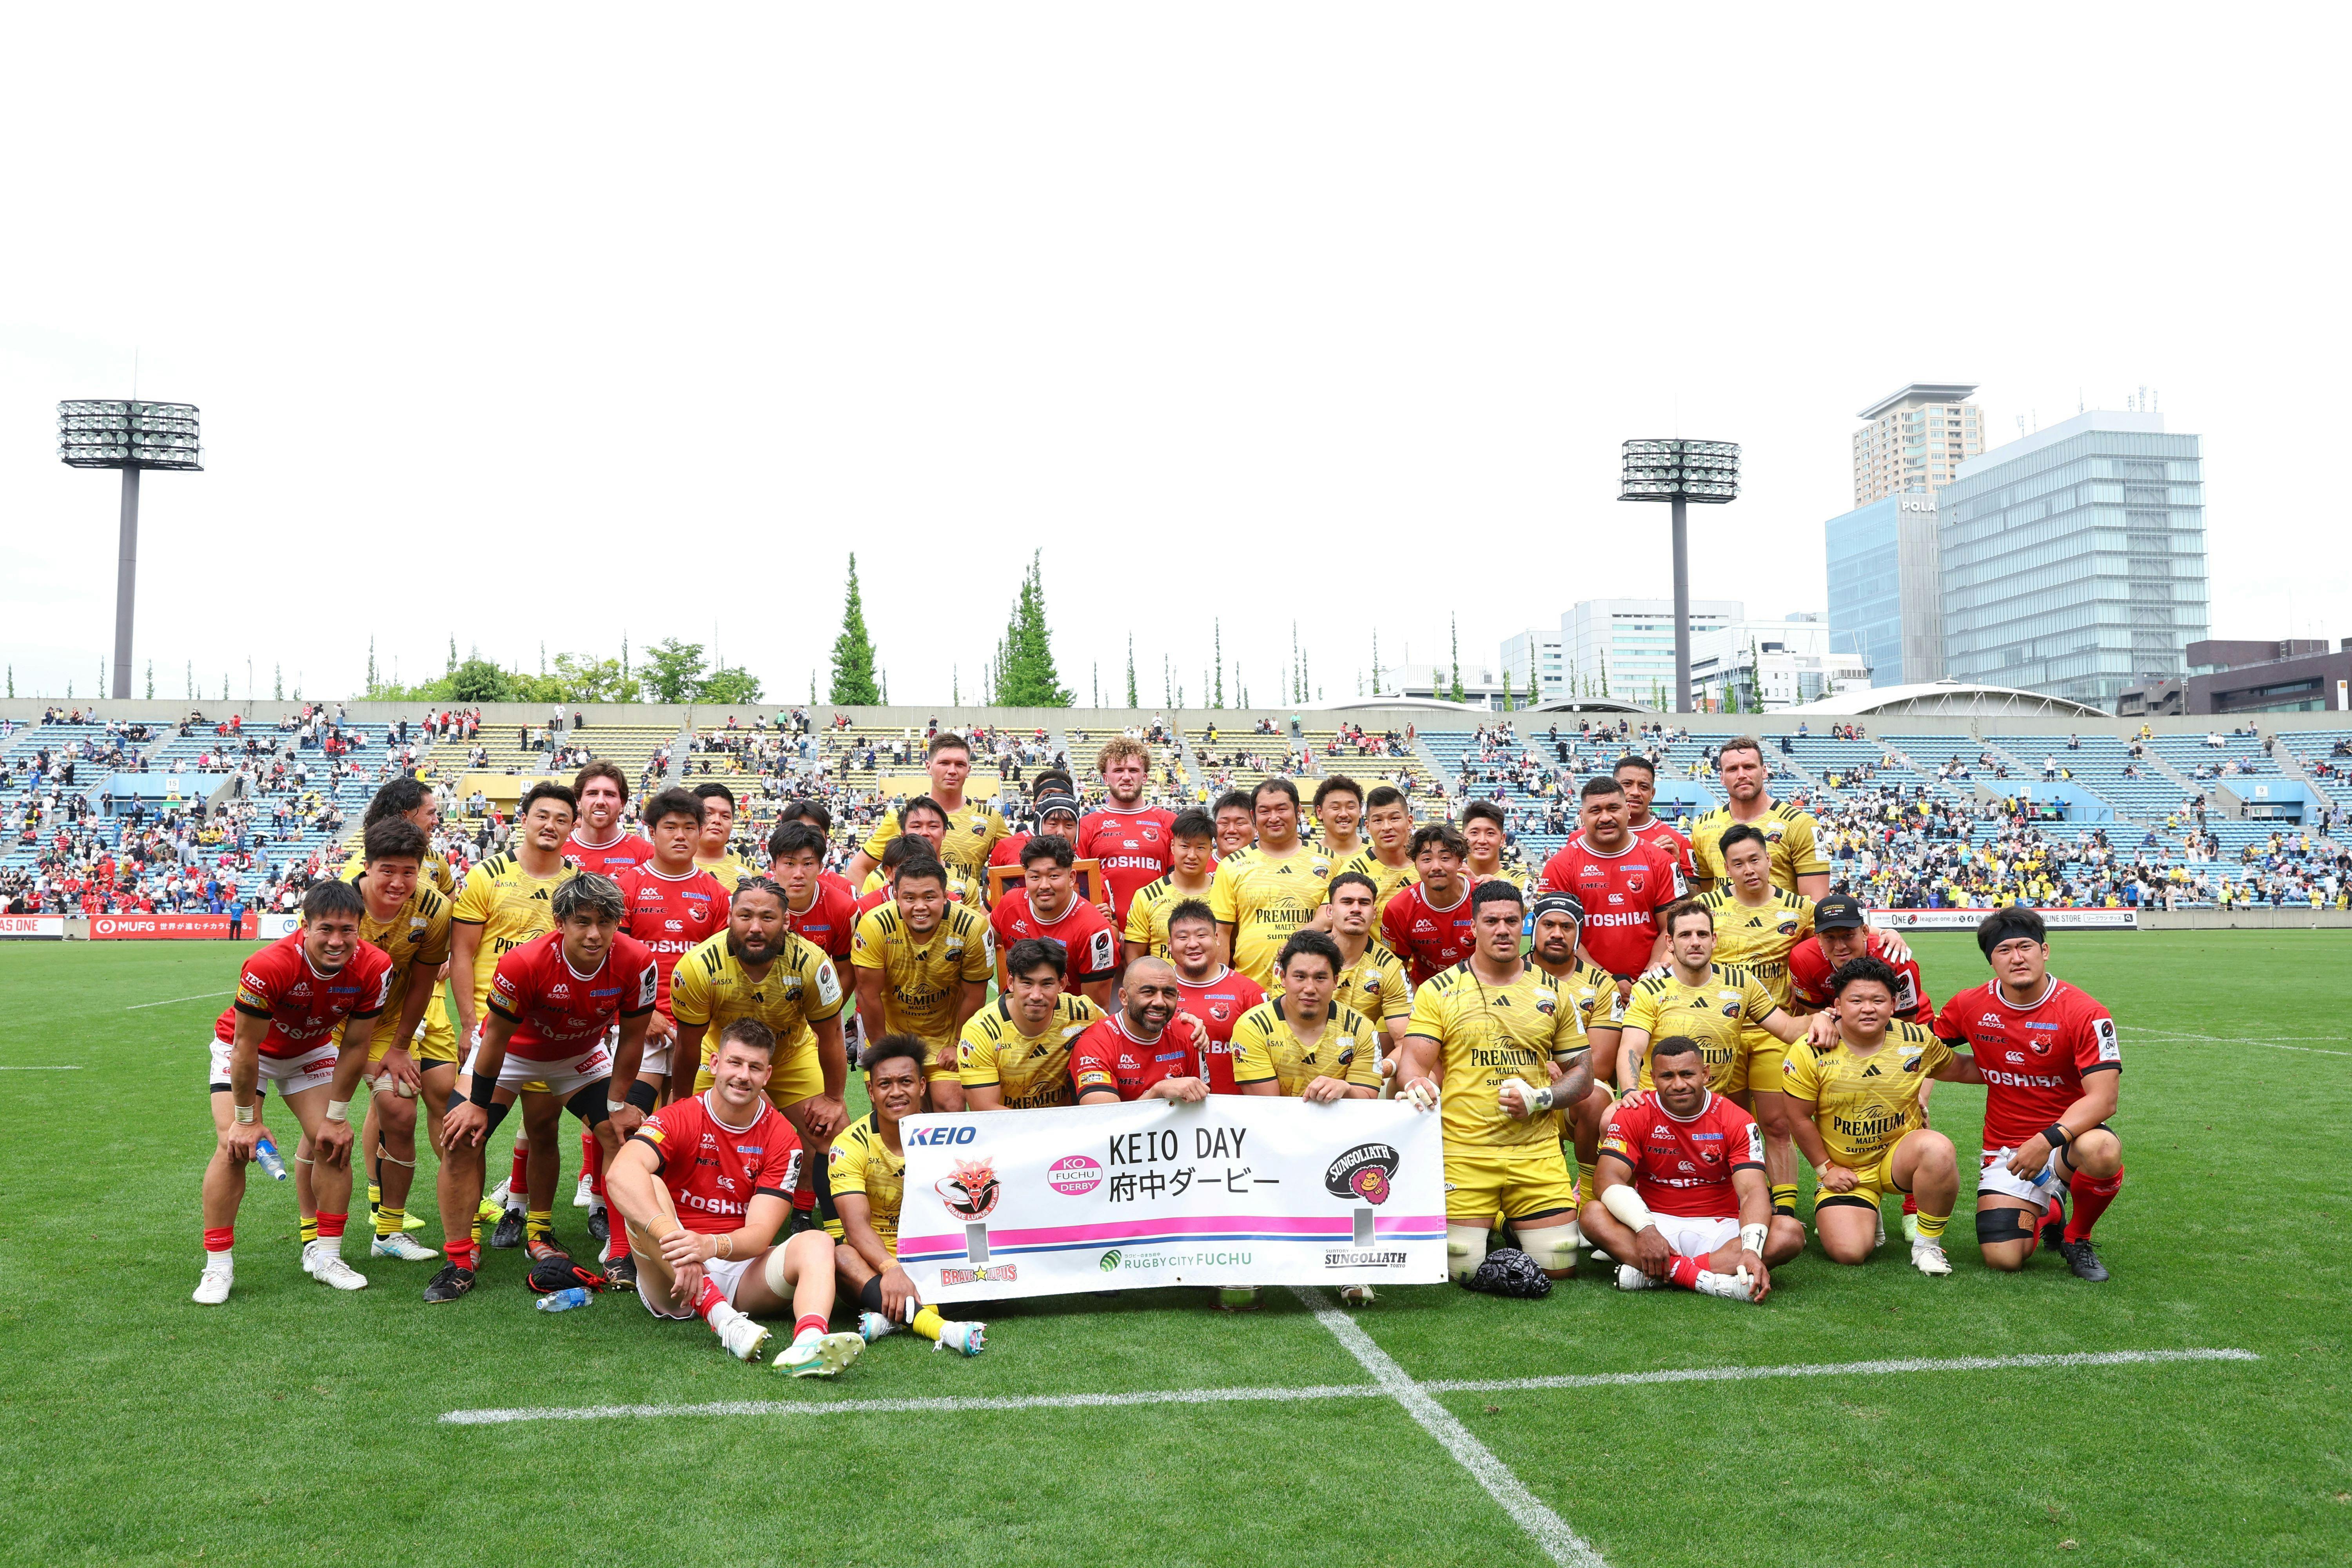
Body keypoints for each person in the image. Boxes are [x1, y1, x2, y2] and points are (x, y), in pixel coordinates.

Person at [427, 872, 659, 1304]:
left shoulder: (639, 961)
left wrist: (618, 1105)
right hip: (513, 1053)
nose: (595, 934)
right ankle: (459, 1260)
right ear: (560, 922)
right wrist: (477, 1104)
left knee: (620, 1136)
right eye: (583, 922)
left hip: (579, 1054)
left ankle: (620, 1254)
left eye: (605, 922)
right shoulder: (524, 962)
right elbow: (495, 1039)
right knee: (461, 1137)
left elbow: (631, 1040)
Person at [605, 1018, 867, 1375]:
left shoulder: (782, 1137)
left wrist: (709, 1246)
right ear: (715, 1064)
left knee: (818, 1241)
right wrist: (682, 1245)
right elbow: (620, 1174)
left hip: (740, 1268)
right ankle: (724, 1320)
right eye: (735, 1063)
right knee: (646, 1184)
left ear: (767, 1075)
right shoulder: (679, 1116)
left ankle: (809, 1343)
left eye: (755, 1068)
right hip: (672, 1278)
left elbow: (759, 1235)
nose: (743, 1076)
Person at [195, 880, 393, 1304]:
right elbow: (245, 1047)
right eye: (326, 929)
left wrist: (337, 1117)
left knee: (333, 1143)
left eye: (347, 930)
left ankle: (327, 1257)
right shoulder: (268, 964)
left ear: (360, 929)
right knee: (233, 1147)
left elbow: (356, 1045)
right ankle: (218, 1265)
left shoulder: (376, 966)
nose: (337, 941)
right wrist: (246, 1121)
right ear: (305, 926)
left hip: (310, 1050)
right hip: (248, 1051)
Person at [1396, 882, 1591, 1285]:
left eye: (1511, 921)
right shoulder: (1438, 990)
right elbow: (1414, 1062)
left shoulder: (1554, 992)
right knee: (1462, 1268)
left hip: (1535, 1152)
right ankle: (1501, 1217)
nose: (1503, 930)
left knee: (1560, 1263)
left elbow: (1583, 1075)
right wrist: (1416, 1083)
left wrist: (1541, 1098)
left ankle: (1507, 1220)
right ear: (1473, 927)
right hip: (1465, 1150)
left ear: (1524, 925)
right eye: (1491, 921)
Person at [1931, 906, 2127, 1281]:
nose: (2017, 958)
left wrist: (2045, 1140)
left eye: (2026, 947)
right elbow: (1923, 1048)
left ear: (2045, 951)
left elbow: (2104, 1099)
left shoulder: (2086, 1012)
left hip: (2068, 1142)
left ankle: (2077, 1238)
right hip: (2007, 1151)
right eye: (2004, 951)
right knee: (2004, 1259)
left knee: (2102, 1149)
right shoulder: (1970, 1005)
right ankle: (2051, 1208)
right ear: (1991, 961)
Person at [672, 877, 850, 1254]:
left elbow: (833, 1035)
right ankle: (694, 1217)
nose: (755, 927)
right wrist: (681, 1105)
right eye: (746, 916)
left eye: (768, 918)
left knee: (833, 1132)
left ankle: (833, 1227)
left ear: (787, 922)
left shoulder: (813, 963)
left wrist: (834, 1099)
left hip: (790, 1055)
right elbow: (688, 1047)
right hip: (725, 1057)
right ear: (729, 917)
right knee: (684, 1134)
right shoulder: (698, 966)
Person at [449, 781, 579, 1253]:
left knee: (544, 1130)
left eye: (562, 819)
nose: (551, 825)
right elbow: (463, 954)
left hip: (549, 1032)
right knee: (469, 1134)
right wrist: (469, 1024)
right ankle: (467, 1238)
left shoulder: (578, 883)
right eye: (542, 815)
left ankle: (539, 1232)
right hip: (492, 1031)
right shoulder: (487, 875)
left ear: (573, 827)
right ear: (523, 820)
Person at [1782, 958, 1971, 1277]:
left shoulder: (1915, 1039)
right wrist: (1826, 1170)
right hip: (1847, 1170)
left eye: (1878, 1000)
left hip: (1898, 1158)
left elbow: (1962, 1068)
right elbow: (1798, 1118)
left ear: (1894, 1004)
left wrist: (2019, 1066)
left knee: (1937, 1148)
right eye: (1856, 1001)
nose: (1868, 1009)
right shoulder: (1810, 1049)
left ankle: (1927, 1246)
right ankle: (1867, 1210)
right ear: (1838, 1005)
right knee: (1850, 1252)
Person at [600, 788, 730, 1234]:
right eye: (670, 827)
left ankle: (682, 1221)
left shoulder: (715, 893)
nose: (680, 835)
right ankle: (620, 1239)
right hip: (642, 1027)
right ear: (651, 832)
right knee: (627, 1128)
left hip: (699, 1028)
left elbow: (722, 966)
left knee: (692, 1126)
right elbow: (613, 960)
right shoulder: (628, 886)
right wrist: (642, 1014)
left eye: (689, 827)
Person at [1583, 1036, 1795, 1302]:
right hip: (1654, 1223)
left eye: (1687, 1074)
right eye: (1667, 1076)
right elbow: (1606, 1179)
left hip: (1722, 1230)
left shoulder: (1737, 1119)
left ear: (1705, 1074)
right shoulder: (1634, 1113)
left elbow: (1753, 1191)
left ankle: (1659, 1274)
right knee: (1592, 1215)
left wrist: (1751, 1250)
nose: (1679, 1084)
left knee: (1789, 1233)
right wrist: (1645, 1229)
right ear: (1653, 1078)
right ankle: (1712, 1281)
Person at [829, 1033, 988, 1356]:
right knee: (840, 1256)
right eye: (885, 1084)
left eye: (906, 1082)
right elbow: (856, 1230)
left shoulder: (951, 1140)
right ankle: (942, 1328)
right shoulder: (850, 1145)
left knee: (992, 1256)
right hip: (876, 1259)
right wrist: (891, 1268)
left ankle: (891, 1319)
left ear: (923, 1086)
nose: (896, 1092)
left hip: (934, 1253)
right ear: (871, 1092)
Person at [344, 818, 454, 1264]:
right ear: (367, 866)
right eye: (387, 870)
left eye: (409, 871)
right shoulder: (340, 902)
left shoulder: (435, 908)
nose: (398, 882)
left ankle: (388, 1231)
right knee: (321, 1127)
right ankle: (316, 1239)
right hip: (330, 1022)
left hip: (387, 1025)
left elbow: (423, 982)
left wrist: (399, 1047)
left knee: (401, 1111)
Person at [1697, 822, 1816, 1220]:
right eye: (1738, 863)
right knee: (1728, 1125)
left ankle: (1784, 1210)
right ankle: (1738, 1201)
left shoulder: (1799, 909)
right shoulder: (1707, 908)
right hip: (1722, 1033)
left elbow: (1829, 946)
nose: (1749, 869)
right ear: (1726, 869)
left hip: (1775, 1032)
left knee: (1777, 1124)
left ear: (1768, 860)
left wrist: (1887, 932)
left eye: (1754, 859)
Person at [1613, 902, 1808, 1112]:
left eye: (1703, 935)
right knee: (1610, 1118)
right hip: (1656, 1105)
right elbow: (1632, 1048)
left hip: (1711, 1109)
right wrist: (1630, 1092)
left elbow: (1788, 1029)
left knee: (1747, 1125)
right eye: (1685, 935)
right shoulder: (1649, 988)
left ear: (1714, 940)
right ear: (1670, 942)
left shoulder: (1741, 983)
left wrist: (1825, 1018)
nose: (1695, 942)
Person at [849, 853, 993, 1113]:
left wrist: (958, 1043)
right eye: (910, 898)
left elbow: (975, 994)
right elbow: (868, 996)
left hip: (945, 1039)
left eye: (929, 897)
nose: (920, 907)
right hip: (891, 1036)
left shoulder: (972, 927)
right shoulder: (875, 925)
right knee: (893, 1113)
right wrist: (885, 1051)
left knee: (951, 1107)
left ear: (945, 895)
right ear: (896, 896)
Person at [1539, 775, 1684, 1006]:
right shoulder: (1560, 865)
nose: (1606, 817)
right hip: (1584, 989)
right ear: (1582, 815)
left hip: (1653, 987)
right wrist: (1607, 980)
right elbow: (1559, 937)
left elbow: (1671, 928)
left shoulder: (1660, 861)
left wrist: (1648, 978)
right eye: (1595, 810)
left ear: (1628, 810)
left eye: (1614, 808)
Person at [1522, 891, 1623, 1220]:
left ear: (1578, 934)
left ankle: (1591, 1196)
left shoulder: (1601, 985)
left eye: (1567, 927)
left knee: (1594, 1095)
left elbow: (1601, 1065)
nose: (1557, 934)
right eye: (1548, 925)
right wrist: (1543, 1066)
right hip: (1517, 1085)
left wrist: (1559, 1068)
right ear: (1534, 928)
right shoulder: (1508, 973)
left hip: (1574, 1095)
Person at [1232, 931, 1384, 1101]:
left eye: (1320, 978)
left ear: (1336, 981)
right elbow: (1269, 1107)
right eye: (1300, 977)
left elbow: (1366, 1103)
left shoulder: (1361, 1028)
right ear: (1283, 978)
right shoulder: (1253, 1027)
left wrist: (1345, 1090)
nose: (1310, 988)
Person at [1210, 778, 1332, 987]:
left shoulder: (1329, 861)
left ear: (1299, 811)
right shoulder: (1231, 866)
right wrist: (1220, 987)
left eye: (1282, 809)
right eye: (1265, 811)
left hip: (1311, 989)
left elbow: (1333, 922)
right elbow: (1221, 933)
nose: (1274, 818)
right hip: (1251, 987)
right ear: (1254, 816)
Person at [847, 733, 1007, 889]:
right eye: (944, 763)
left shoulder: (990, 818)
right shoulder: (901, 816)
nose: (952, 770)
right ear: (929, 767)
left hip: (965, 906)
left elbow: (1014, 867)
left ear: (969, 770)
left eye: (960, 764)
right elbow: (857, 869)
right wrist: (868, 906)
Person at [959, 938, 1105, 1109]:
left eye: (1047, 984)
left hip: (1070, 1122)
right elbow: (986, 1110)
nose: (1036, 995)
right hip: (1010, 1126)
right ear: (1011, 983)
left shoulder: (1084, 1012)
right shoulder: (981, 1031)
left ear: (1062, 984)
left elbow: (1121, 1038)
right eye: (1027, 983)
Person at [1686, 737, 1829, 897]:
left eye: (1749, 767)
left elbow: (1816, 902)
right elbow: (1706, 898)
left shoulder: (1800, 824)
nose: (1742, 775)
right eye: (1732, 769)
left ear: (1764, 771)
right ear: (1722, 778)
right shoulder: (1704, 826)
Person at [989, 834, 1118, 1009]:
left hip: (1067, 1021)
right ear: (1025, 877)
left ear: (1072, 878)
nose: (1044, 885)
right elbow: (982, 937)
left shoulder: (1096, 931)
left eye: (1054, 876)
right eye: (1035, 877)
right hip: (1014, 1011)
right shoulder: (1010, 903)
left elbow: (1096, 1009)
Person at [1071, 956, 1216, 1104]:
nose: (1160, 1002)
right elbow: (1103, 1115)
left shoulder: (1190, 1035)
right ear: (1124, 997)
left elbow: (1202, 1106)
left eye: (1168, 994)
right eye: (1148, 992)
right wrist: (1157, 1092)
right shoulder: (1094, 1043)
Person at [1162, 897, 1264, 1093]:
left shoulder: (1250, 993)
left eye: (1202, 935)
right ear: (1170, 944)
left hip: (1233, 1107)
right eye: (1182, 938)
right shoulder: (1155, 993)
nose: (1193, 944)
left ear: (1217, 938)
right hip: (1172, 1106)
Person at [1076, 736, 1175, 935]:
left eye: (1133, 770)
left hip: (1158, 934)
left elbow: (1180, 883)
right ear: (1106, 778)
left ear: (1145, 777)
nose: (1127, 777)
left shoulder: (1170, 822)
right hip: (1105, 933)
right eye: (1119, 770)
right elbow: (1079, 887)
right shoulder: (1086, 826)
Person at [1323, 871, 1412, 1057]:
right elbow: (1282, 1025)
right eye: (1347, 902)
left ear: (1374, 914)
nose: (1356, 909)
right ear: (1330, 911)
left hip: (1361, 1062)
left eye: (1364, 903)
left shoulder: (1389, 965)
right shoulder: (1300, 956)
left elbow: (1406, 1041)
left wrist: (1383, 1068)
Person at [1379, 823, 1479, 985]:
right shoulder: (1398, 909)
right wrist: (1420, 998)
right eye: (1427, 859)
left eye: (1445, 858)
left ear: (1460, 862)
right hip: (1424, 989)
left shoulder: (1484, 898)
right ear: (1416, 864)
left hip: (1479, 988)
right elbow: (1397, 973)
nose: (1436, 867)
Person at [1123, 808, 1217, 962]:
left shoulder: (1224, 893)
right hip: (1162, 979)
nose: (1192, 856)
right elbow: (1133, 957)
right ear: (1173, 847)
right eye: (1185, 847)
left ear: (1210, 850)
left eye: (1200, 848)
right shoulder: (1147, 896)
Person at [858, 796, 986, 908]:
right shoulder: (876, 880)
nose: (925, 833)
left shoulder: (967, 883)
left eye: (933, 826)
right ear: (903, 833)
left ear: (944, 833)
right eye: (916, 826)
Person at [768, 818, 861, 969]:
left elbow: (845, 972)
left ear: (820, 867)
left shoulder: (843, 908)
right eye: (790, 863)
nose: (799, 874)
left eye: (808, 864)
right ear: (773, 866)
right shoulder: (753, 901)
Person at [1335, 784, 1419, 926]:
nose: (1387, 827)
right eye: (1378, 820)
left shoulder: (1430, 866)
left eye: (1395, 818)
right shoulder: (1353, 871)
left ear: (1409, 822)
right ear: (1368, 827)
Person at [566, 759, 655, 875]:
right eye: (593, 793)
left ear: (622, 804)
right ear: (579, 801)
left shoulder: (646, 854)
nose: (600, 801)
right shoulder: (558, 851)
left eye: (609, 795)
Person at [1614, 755, 1692, 876]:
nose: (1636, 792)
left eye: (1644, 787)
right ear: (1614, 788)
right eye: (1627, 784)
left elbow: (1695, 889)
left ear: (1652, 794)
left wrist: (1675, 869)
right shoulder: (1586, 838)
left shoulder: (1676, 842)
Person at [691, 782, 751, 887]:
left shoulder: (751, 870)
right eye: (708, 813)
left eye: (725, 816)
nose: (717, 821)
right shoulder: (669, 866)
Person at [1459, 800, 1526, 893]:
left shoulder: (1519, 880)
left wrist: (1494, 888)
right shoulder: (1452, 876)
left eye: (1490, 833)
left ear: (1502, 840)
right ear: (1463, 838)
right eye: (1474, 833)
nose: (1482, 840)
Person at [1309, 775, 1366, 860]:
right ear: (1320, 812)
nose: (1344, 814)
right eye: (1335, 808)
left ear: (1360, 811)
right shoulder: (1306, 857)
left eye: (1351, 807)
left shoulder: (1379, 854)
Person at [1211, 789, 1257, 860]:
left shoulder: (1271, 865)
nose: (1231, 830)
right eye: (1224, 823)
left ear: (1256, 829)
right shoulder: (1201, 866)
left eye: (1240, 823)